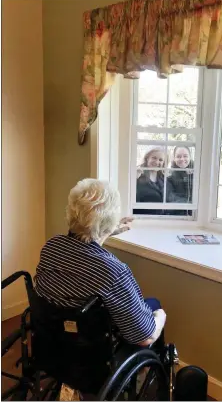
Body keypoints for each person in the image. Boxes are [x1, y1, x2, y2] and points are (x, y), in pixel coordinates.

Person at [34, 178, 166, 346]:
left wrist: (109, 230)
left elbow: (83, 243)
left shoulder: (52, 246)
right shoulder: (113, 271)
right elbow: (144, 338)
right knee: (154, 305)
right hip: (94, 350)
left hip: (55, 338)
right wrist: (161, 316)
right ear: (108, 223)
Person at [134, 147, 170, 215]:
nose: (157, 162)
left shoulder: (165, 179)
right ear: (147, 158)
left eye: (160, 160)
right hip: (142, 219)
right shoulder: (138, 175)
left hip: (162, 220)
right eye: (154, 158)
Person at [167, 146, 194, 216]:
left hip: (196, 214)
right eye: (178, 156)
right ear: (174, 158)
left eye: (185, 156)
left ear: (190, 157)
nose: (182, 159)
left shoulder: (198, 172)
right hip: (177, 214)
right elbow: (170, 197)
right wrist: (190, 203)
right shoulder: (169, 175)